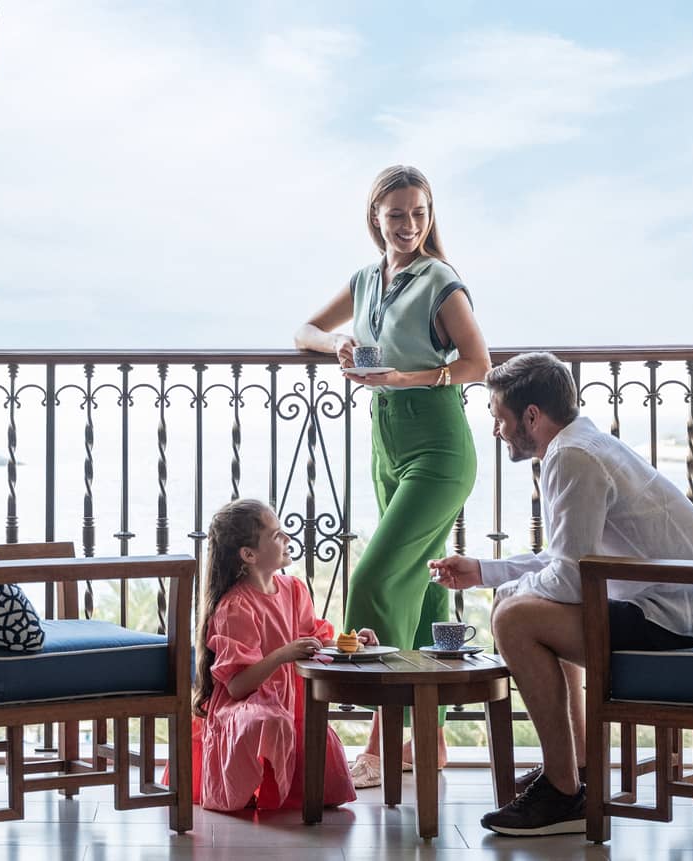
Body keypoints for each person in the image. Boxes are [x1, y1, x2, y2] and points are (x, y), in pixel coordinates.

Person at [429, 351, 693, 836]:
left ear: (531, 416)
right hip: (690, 610)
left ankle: (563, 793)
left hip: (684, 623)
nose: (496, 430)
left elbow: (571, 580)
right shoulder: (583, 444)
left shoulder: (572, 457)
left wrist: (510, 593)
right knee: (523, 605)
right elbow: (571, 562)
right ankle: (575, 770)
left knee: (515, 619)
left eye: (499, 418)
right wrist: (486, 572)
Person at [294, 165, 491, 787]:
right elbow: (304, 331)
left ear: (430, 217)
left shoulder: (441, 281)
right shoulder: (365, 279)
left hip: (437, 444)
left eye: (419, 213)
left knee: (377, 576)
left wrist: (414, 377)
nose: (409, 225)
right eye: (397, 214)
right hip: (387, 442)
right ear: (375, 216)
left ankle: (380, 745)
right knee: (423, 588)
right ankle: (422, 744)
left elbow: (478, 362)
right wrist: (340, 347)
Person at [192, 498, 373, 811]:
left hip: (289, 698)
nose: (287, 538)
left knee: (312, 741)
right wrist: (282, 655)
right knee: (269, 720)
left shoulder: (293, 589)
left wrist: (353, 642)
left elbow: (314, 639)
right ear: (248, 555)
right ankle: (252, 788)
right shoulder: (236, 607)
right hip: (245, 705)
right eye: (276, 535)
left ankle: (289, 787)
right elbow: (236, 687)